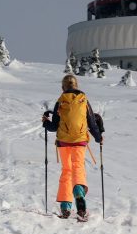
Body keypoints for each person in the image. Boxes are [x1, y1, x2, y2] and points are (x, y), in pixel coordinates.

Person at [42, 74, 102, 219]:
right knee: (77, 168)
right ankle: (79, 198)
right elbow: (92, 123)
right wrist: (98, 137)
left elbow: (54, 127)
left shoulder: (61, 101)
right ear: (76, 85)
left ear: (63, 86)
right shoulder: (83, 100)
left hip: (63, 142)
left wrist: (45, 122)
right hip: (80, 142)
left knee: (67, 170)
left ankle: (65, 207)